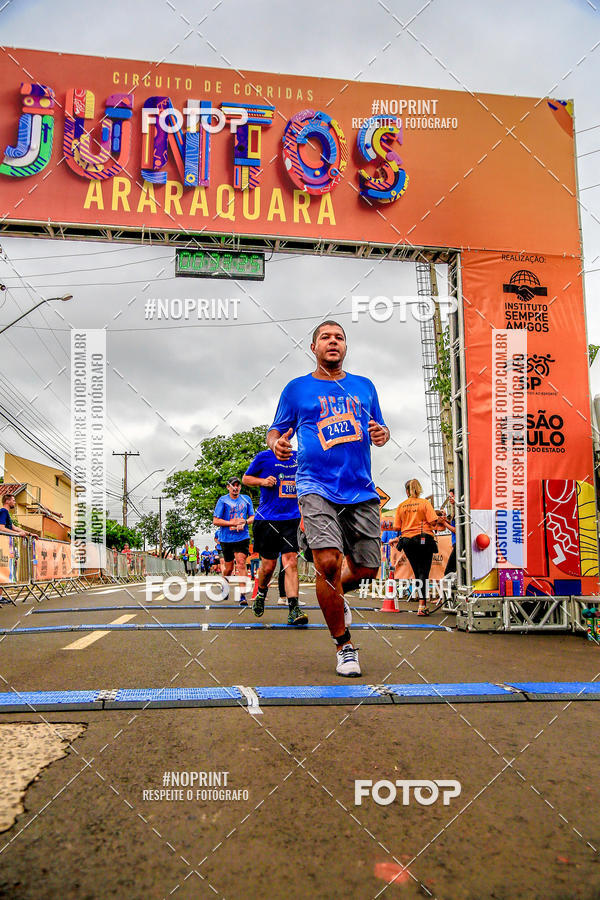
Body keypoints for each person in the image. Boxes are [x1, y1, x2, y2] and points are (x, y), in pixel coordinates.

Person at [268, 320, 390, 676]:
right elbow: (275, 429)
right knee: (328, 562)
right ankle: (344, 644)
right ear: (314, 347)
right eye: (326, 337)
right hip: (315, 485)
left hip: (361, 489)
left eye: (339, 337)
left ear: (345, 347)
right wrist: (276, 443)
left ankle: (334, 597)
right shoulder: (297, 389)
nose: (332, 342)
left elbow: (379, 427)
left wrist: (382, 433)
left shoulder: (364, 387)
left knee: (368, 567)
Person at [242, 447, 307, 626]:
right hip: (267, 519)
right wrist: (262, 481)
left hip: (291, 519)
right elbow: (246, 479)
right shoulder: (264, 456)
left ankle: (294, 608)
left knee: (290, 562)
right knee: (268, 566)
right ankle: (261, 594)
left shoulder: (299, 457)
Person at [393, 479, 444, 615]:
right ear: (419, 489)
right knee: (424, 572)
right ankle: (422, 606)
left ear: (407, 491)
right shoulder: (424, 503)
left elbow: (396, 526)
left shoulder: (401, 506)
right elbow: (433, 521)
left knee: (417, 572)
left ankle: (421, 605)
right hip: (423, 538)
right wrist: (440, 518)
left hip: (407, 540)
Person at [212, 477, 254, 605]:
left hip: (242, 537)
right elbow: (215, 520)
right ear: (228, 487)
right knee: (229, 568)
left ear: (240, 487)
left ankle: (242, 595)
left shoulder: (246, 499)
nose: (235, 488)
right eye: (233, 485)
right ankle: (224, 586)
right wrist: (231, 523)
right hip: (226, 538)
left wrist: (245, 522)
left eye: (238, 485)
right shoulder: (223, 500)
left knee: (241, 563)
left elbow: (253, 516)